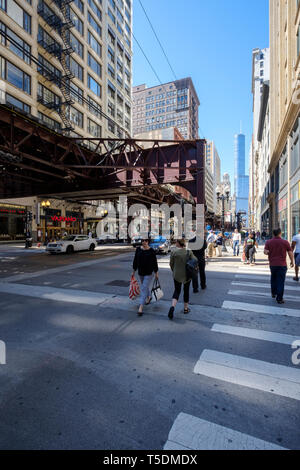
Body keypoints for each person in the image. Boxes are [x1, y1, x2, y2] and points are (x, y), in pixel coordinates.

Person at [168, 239, 197, 320]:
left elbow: (171, 264)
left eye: (176, 242)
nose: (175, 243)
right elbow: (195, 260)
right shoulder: (188, 251)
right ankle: (185, 308)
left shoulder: (174, 252)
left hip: (177, 274)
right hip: (187, 275)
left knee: (177, 291)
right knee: (186, 290)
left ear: (178, 243)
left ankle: (172, 307)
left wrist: (174, 271)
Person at [264, 228, 294, 304]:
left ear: (273, 234)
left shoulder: (269, 242)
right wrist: (292, 261)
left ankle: (274, 293)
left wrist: (267, 252)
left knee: (273, 278)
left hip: (273, 264)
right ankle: (279, 298)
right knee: (280, 281)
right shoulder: (285, 242)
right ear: (280, 233)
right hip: (282, 264)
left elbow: (265, 251)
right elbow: (290, 252)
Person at [132, 238, 159, 316]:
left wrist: (156, 272)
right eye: (143, 241)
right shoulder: (138, 250)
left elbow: (155, 262)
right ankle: (149, 297)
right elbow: (135, 261)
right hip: (141, 272)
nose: (144, 242)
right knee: (145, 286)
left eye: (146, 241)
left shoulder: (151, 251)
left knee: (143, 288)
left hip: (149, 273)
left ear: (148, 242)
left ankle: (141, 307)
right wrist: (133, 271)